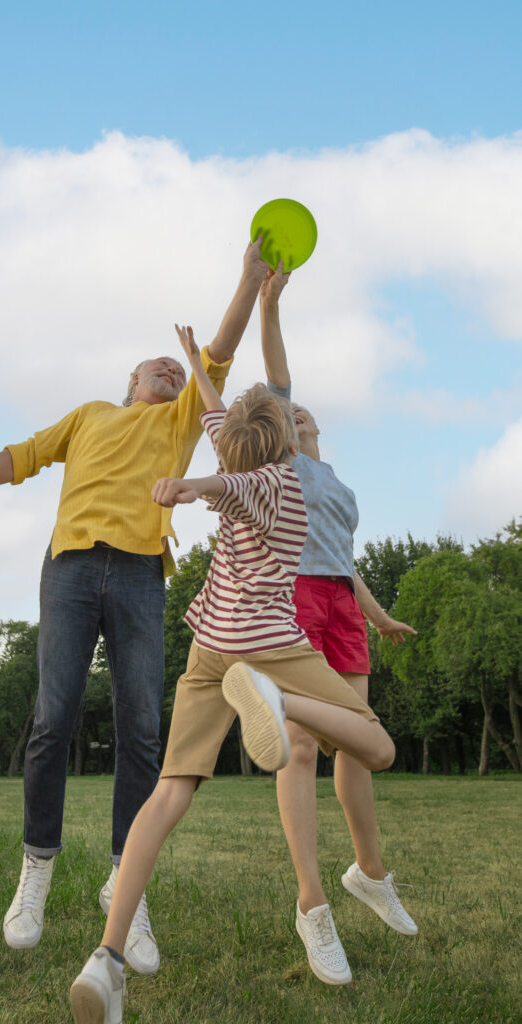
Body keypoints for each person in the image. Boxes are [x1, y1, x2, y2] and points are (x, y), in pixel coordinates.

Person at [0, 240, 270, 974]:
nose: (171, 371)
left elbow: (222, 347)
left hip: (140, 573)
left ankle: (125, 888)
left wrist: (246, 279)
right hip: (71, 569)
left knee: (141, 728)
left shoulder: (177, 423)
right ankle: (36, 866)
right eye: (159, 366)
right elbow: (20, 457)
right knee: (53, 718)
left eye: (178, 370)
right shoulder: (87, 417)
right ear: (129, 380)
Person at [69, 325, 396, 1024]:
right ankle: (285, 706)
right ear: (281, 443)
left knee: (167, 796)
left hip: (207, 649)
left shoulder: (232, 450)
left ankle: (107, 957)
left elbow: (220, 440)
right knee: (374, 746)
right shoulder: (278, 479)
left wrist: (197, 369)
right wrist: (194, 483)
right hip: (265, 647)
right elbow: (234, 478)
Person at [259, 264, 418, 986]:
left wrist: (378, 618)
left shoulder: (339, 486)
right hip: (290, 602)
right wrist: (270, 304)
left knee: (356, 745)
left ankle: (368, 872)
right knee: (296, 749)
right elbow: (277, 376)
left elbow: (344, 562)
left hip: (340, 607)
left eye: (300, 415)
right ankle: (310, 904)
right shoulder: (283, 470)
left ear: (316, 427)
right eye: (285, 417)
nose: (294, 418)